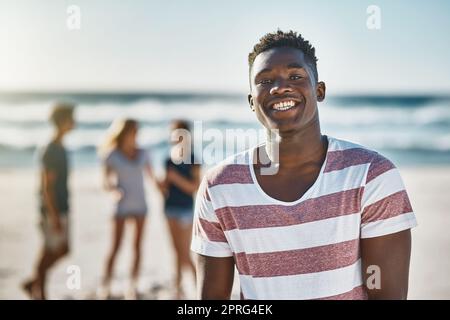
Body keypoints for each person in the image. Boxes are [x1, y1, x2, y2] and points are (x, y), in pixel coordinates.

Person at [191, 30, 417, 300]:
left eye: (295, 76)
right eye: (265, 80)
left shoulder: (372, 176)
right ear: (252, 102)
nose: (279, 87)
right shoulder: (220, 187)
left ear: (319, 90)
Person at [98, 119, 156, 299]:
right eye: (133, 132)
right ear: (124, 133)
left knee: (137, 247)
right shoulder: (111, 155)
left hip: (140, 204)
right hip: (121, 206)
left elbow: (152, 178)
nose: (136, 136)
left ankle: (133, 286)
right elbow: (105, 182)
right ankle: (106, 286)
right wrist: (113, 190)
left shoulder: (144, 153)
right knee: (115, 247)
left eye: (137, 132)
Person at [22, 103, 76, 300]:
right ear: (62, 122)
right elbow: (47, 187)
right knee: (50, 250)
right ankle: (40, 292)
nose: (75, 122)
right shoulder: (51, 150)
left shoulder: (61, 148)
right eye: (72, 118)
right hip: (53, 209)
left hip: (62, 207)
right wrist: (53, 215)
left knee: (61, 250)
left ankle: (33, 284)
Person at [160, 120, 200, 299]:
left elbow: (194, 187)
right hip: (169, 209)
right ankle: (177, 289)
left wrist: (175, 178)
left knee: (184, 252)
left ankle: (198, 284)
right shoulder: (168, 160)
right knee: (175, 251)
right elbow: (165, 188)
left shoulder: (193, 159)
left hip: (185, 210)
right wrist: (160, 184)